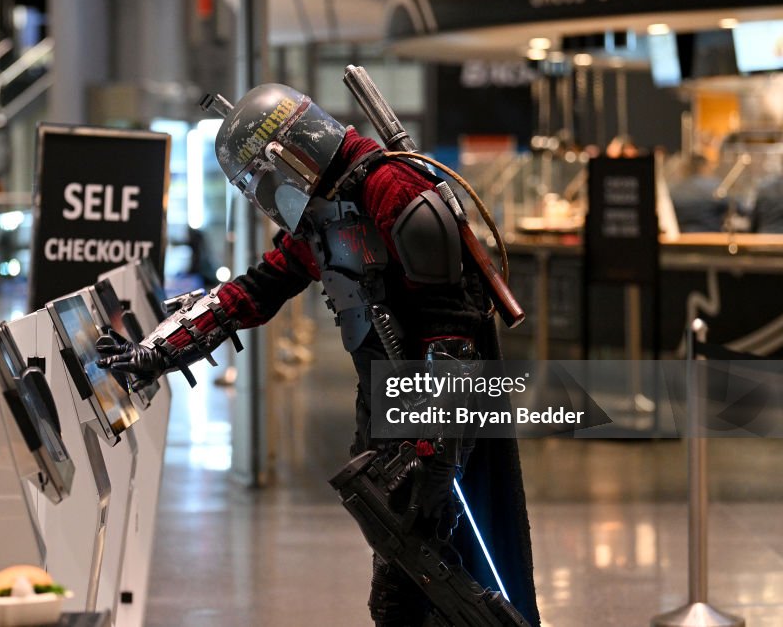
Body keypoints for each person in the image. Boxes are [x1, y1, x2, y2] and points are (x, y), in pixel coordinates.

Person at [96, 84, 539, 626]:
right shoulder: (324, 215)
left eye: (262, 176)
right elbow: (256, 291)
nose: (264, 191)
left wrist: (434, 454)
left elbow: (453, 332)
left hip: (440, 412)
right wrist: (155, 352)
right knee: (414, 581)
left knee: (433, 587)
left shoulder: (393, 188)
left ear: (286, 153)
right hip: (387, 409)